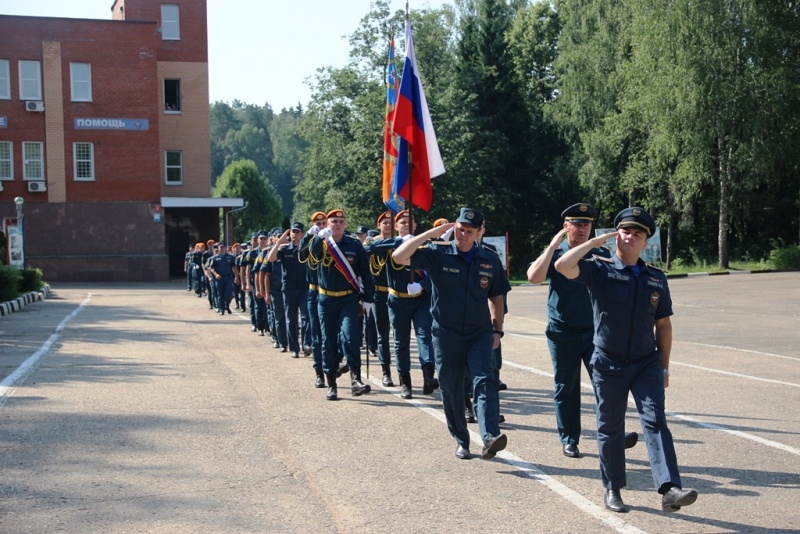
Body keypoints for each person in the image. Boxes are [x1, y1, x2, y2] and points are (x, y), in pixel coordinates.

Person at [554, 206, 697, 513]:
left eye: (638, 233)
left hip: (646, 363)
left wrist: (665, 366)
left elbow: (664, 325)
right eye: (625, 231)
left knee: (656, 421)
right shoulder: (599, 268)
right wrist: (594, 242)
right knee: (611, 427)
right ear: (616, 234)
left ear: (646, 242)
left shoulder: (655, 278)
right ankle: (613, 488)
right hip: (608, 361)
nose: (631, 236)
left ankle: (670, 489)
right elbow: (564, 266)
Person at [394, 208, 511, 460]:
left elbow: (497, 296)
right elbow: (399, 256)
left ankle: (490, 435)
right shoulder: (439, 252)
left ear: (480, 233)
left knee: (484, 380)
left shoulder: (489, 260)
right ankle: (461, 439)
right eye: (460, 229)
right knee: (450, 387)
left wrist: (497, 330)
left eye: (470, 231)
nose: (463, 235)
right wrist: (433, 233)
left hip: (479, 332)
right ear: (454, 227)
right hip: (446, 334)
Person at [527, 203, 639, 459]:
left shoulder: (598, 253)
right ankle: (569, 439)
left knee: (605, 386)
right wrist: (553, 244)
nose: (581, 230)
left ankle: (614, 435)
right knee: (566, 387)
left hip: (594, 333)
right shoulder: (556, 254)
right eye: (576, 224)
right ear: (566, 226)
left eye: (586, 224)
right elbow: (534, 277)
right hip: (562, 332)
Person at [368, 210, 437, 399]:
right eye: (402, 221)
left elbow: (435, 272)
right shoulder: (388, 244)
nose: (406, 224)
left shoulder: (426, 244)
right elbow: (369, 249)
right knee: (401, 342)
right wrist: (400, 241)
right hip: (398, 300)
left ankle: (428, 376)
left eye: (410, 221)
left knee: (424, 335)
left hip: (421, 299)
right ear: (396, 227)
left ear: (415, 226)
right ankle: (405, 382)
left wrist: (423, 285)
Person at [307, 209, 375, 400]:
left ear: (345, 224)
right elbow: (313, 257)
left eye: (341, 221)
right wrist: (319, 239)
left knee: (350, 336)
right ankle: (331, 383)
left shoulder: (354, 244)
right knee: (328, 341)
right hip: (326, 299)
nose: (337, 224)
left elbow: (365, 273)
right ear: (327, 224)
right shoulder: (321, 242)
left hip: (348, 299)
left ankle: (356, 380)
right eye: (334, 221)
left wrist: (368, 298)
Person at [268, 222, 310, 359]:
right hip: (289, 289)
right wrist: (279, 242)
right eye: (293, 231)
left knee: (306, 317)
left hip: (304, 288)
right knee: (291, 320)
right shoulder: (284, 250)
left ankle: (306, 344)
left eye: (298, 232)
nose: (295, 234)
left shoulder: (307, 249)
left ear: (302, 234)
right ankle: (294, 348)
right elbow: (271, 258)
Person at [366, 210, 394, 387]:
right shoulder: (372, 244)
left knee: (400, 336)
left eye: (391, 222)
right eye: (385, 222)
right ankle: (386, 371)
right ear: (379, 225)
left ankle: (403, 373)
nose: (388, 225)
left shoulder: (400, 244)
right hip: (379, 293)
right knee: (382, 334)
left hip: (398, 293)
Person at [208, 242, 239, 314]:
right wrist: (216, 275)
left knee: (229, 294)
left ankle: (227, 306)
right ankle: (222, 309)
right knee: (220, 294)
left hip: (228, 277)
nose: (222, 249)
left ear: (226, 248)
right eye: (220, 247)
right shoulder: (215, 258)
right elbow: (212, 268)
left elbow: (234, 267)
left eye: (223, 247)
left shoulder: (230, 257)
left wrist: (236, 277)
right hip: (219, 278)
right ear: (218, 248)